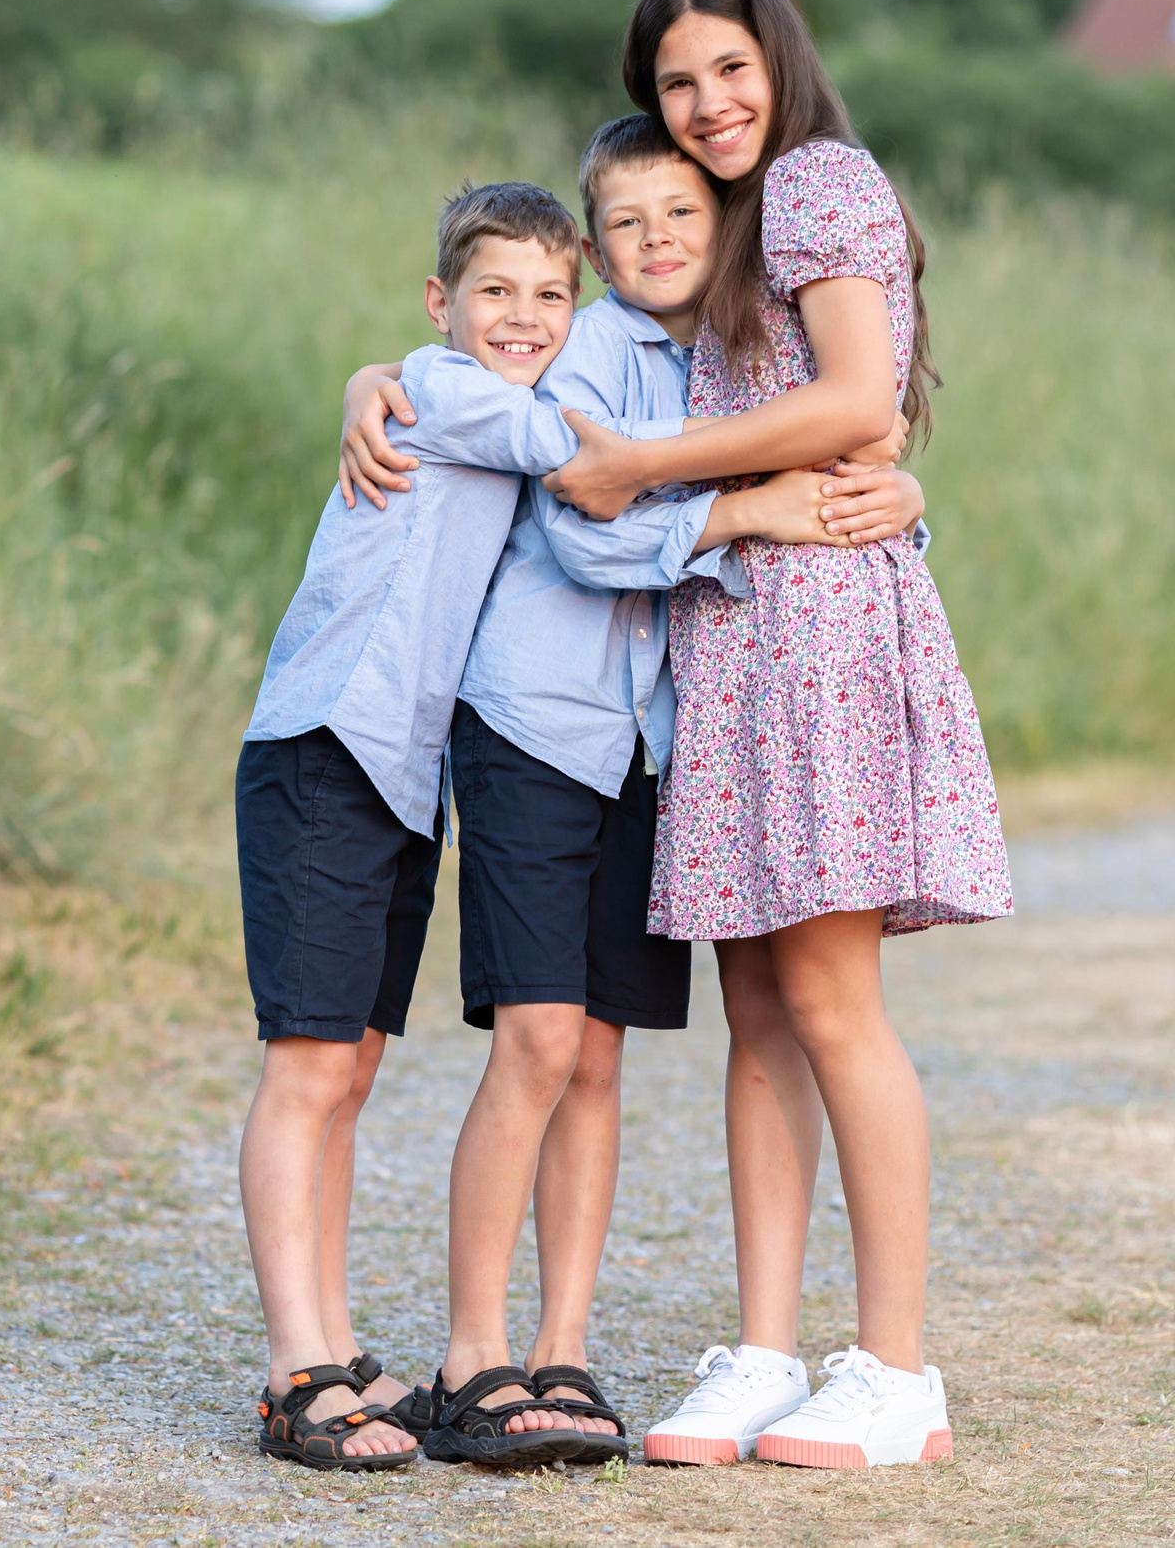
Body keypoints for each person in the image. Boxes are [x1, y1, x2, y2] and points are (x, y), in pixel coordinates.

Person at [334, 115, 929, 1467]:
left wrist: (899, 508)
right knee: (541, 1044)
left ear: (728, 229)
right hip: (537, 731)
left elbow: (838, 464)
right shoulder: (597, 346)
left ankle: (562, 1351)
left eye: (684, 217)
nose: (657, 242)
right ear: (598, 245)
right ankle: (473, 1349)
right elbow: (578, 523)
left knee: (596, 1057)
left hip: (649, 754)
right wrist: (743, 515)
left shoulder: (730, 356)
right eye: (627, 224)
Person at [542, 0, 1015, 1471]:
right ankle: (760, 1353)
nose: (708, 101)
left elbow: (861, 402)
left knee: (827, 1003)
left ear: (779, 61)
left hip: (817, 637)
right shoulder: (706, 236)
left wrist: (643, 471)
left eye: (728, 69)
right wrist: (377, 376)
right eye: (678, 83)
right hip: (734, 647)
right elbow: (510, 328)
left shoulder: (818, 181)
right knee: (756, 1018)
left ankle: (898, 1369)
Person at [232, 180, 605, 1471]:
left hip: (398, 776)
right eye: (494, 291)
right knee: (307, 1067)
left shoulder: (464, 395)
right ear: (442, 305)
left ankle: (330, 1346)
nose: (524, 316)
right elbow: (593, 456)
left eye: (553, 297)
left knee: (353, 1070)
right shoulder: (449, 395)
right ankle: (296, 1375)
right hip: (325, 747)